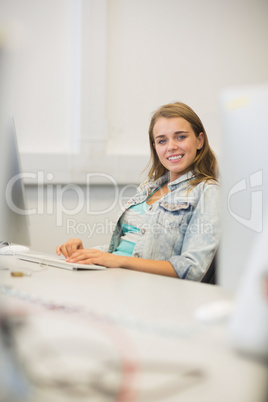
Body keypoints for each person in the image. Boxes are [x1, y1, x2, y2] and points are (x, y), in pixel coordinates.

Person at [56, 102, 220, 281]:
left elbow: (192, 268)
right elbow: (128, 247)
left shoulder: (207, 192)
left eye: (180, 137)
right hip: (116, 279)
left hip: (147, 291)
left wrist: (119, 261)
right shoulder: (150, 187)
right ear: (155, 147)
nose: (171, 146)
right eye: (162, 140)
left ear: (199, 141)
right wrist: (87, 253)